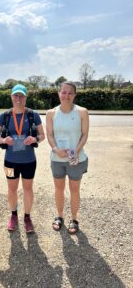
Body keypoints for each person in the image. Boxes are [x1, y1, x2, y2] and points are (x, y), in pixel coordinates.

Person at [0, 84, 45, 233]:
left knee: (28, 189)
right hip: (10, 161)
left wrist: (34, 139)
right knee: (11, 189)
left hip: (29, 161)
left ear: (26, 98)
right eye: (16, 95)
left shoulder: (32, 114)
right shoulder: (5, 115)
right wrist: (3, 141)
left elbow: (42, 136)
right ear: (11, 97)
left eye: (21, 96)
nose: (18, 99)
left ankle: (27, 217)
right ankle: (13, 215)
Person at [46, 81, 89, 234]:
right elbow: (49, 135)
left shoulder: (82, 112)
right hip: (57, 159)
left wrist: (76, 152)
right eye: (63, 92)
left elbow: (84, 135)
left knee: (74, 189)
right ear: (59, 93)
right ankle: (59, 216)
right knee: (59, 188)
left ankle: (74, 218)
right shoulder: (51, 113)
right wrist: (56, 149)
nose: (66, 96)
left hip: (76, 158)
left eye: (70, 93)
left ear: (74, 95)